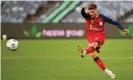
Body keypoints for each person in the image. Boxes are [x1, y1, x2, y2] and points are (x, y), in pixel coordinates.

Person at [78, 3, 128, 79]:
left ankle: (84, 52)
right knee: (93, 55)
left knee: (94, 45)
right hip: (90, 36)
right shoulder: (87, 16)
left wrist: (123, 29)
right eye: (89, 11)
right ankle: (107, 71)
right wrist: (82, 8)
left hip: (100, 35)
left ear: (96, 10)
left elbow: (115, 22)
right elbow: (82, 13)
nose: (91, 13)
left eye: (92, 11)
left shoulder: (102, 17)